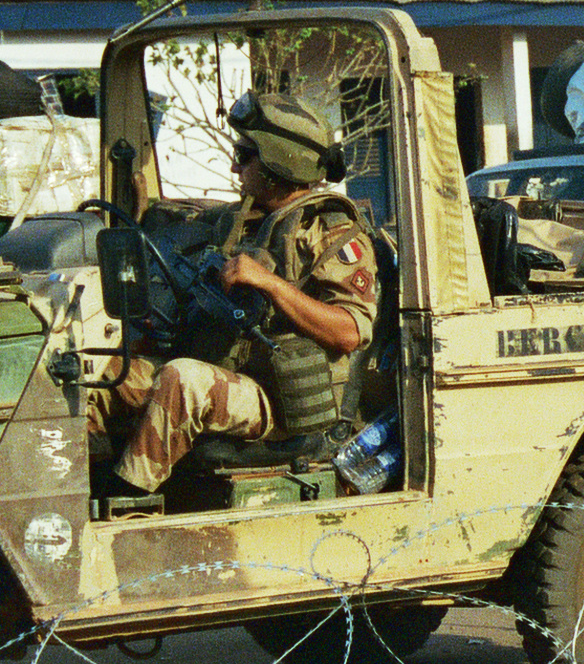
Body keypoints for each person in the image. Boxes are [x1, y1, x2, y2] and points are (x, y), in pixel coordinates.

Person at [86, 93, 377, 495]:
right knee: (107, 376)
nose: (235, 165)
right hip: (235, 374)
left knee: (182, 379)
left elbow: (350, 331)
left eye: (245, 155)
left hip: (285, 403)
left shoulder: (330, 232)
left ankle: (128, 502)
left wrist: (270, 284)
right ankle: (76, 489)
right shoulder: (246, 219)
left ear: (278, 163)